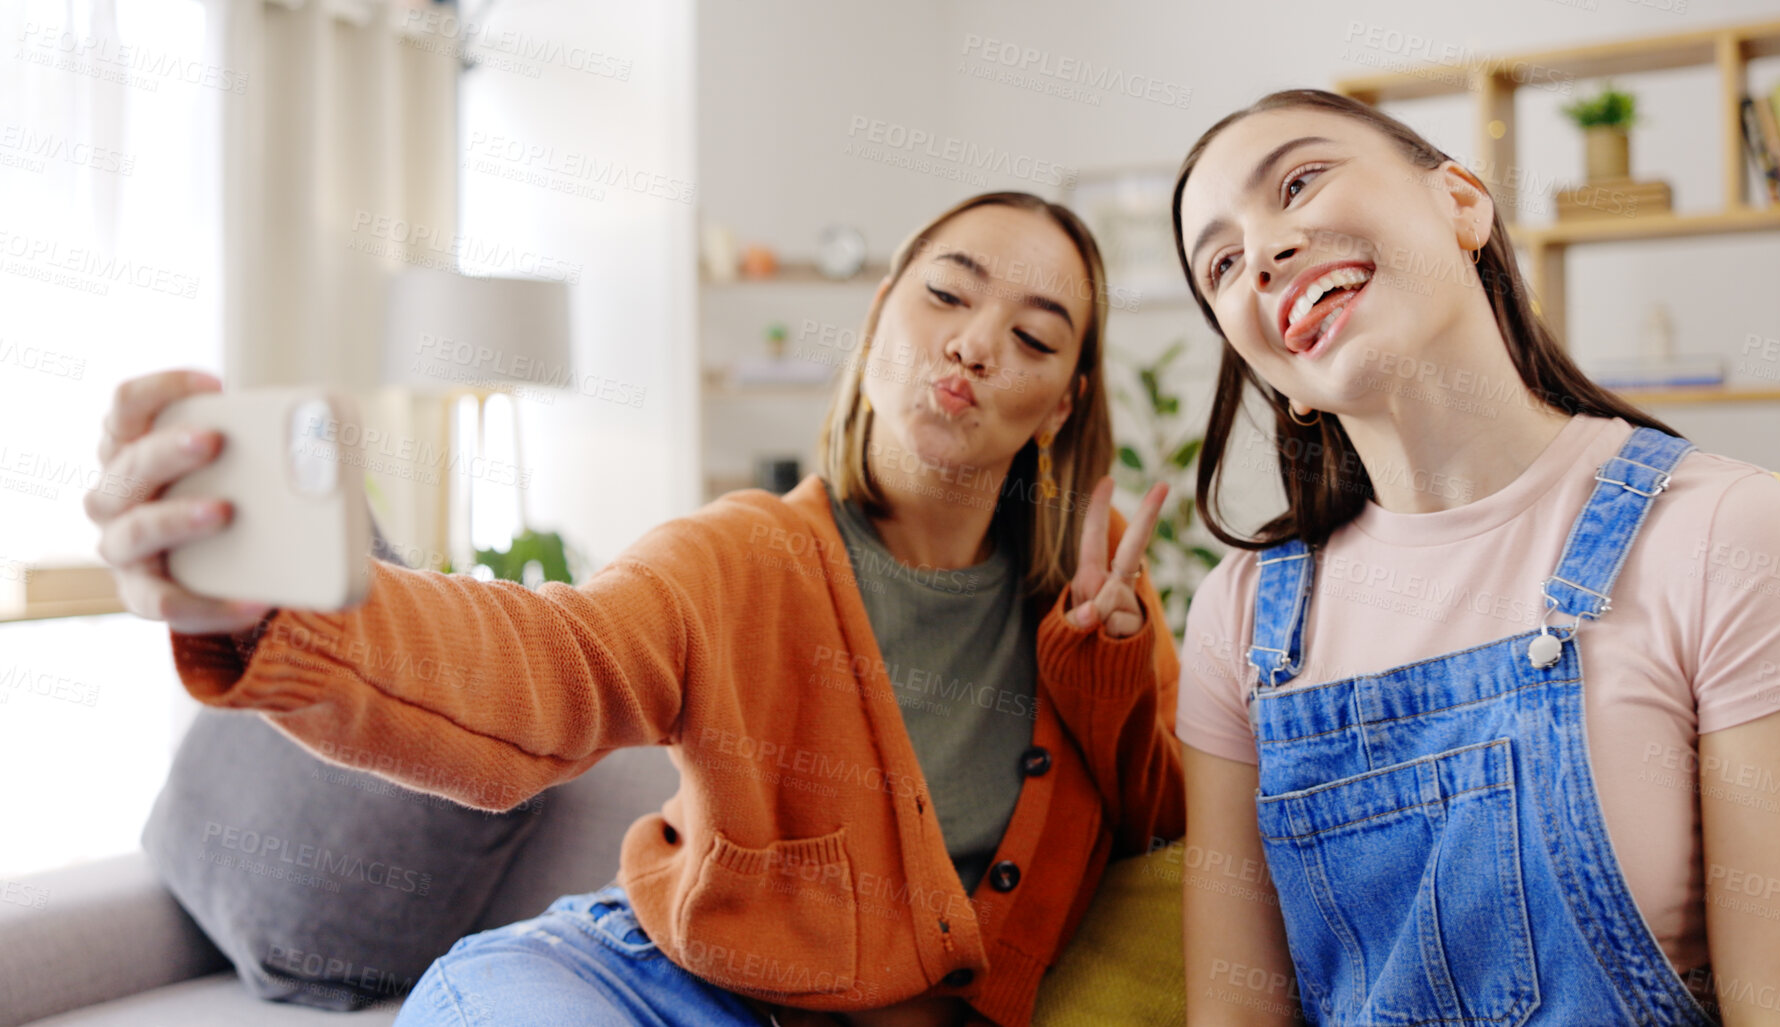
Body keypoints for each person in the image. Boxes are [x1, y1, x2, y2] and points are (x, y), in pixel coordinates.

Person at [85, 191, 1185, 1027]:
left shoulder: (1096, 618)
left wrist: (1112, 677)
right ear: (878, 319)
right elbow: (542, 666)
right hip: (628, 981)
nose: (976, 342)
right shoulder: (745, 553)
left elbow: (1175, 826)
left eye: (1036, 337)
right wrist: (284, 613)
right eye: (946, 292)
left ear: (1064, 403)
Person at [1169, 90, 1780, 1025]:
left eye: (1301, 181)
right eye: (1222, 262)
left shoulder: (1730, 534)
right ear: (1272, 368)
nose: (1264, 252)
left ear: (1462, 202)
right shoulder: (1238, 617)